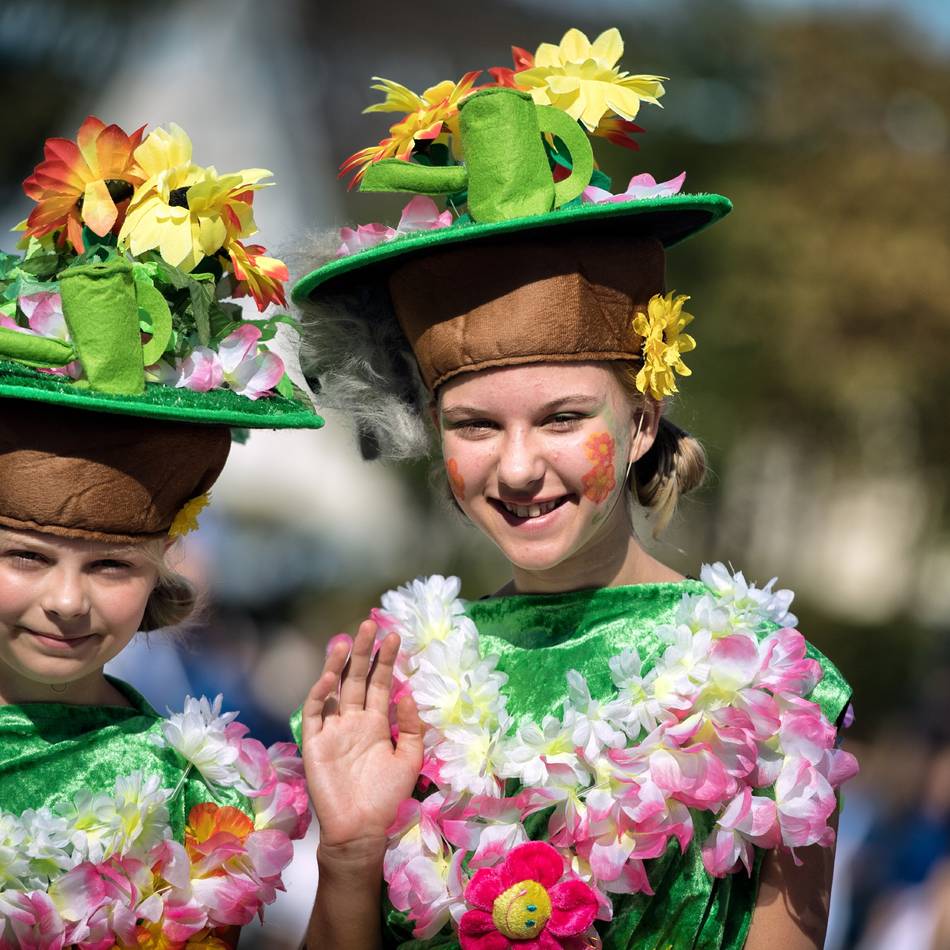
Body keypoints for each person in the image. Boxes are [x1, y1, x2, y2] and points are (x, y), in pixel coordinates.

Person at [293, 27, 858, 950]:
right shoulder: (396, 688)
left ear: (640, 424)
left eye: (562, 419)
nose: (517, 469)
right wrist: (351, 857)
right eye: (475, 426)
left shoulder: (764, 680)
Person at [0, 116, 322, 947]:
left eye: (110, 565)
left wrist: (349, 857)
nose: (66, 601)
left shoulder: (201, 795)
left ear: (163, 570)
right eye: (26, 556)